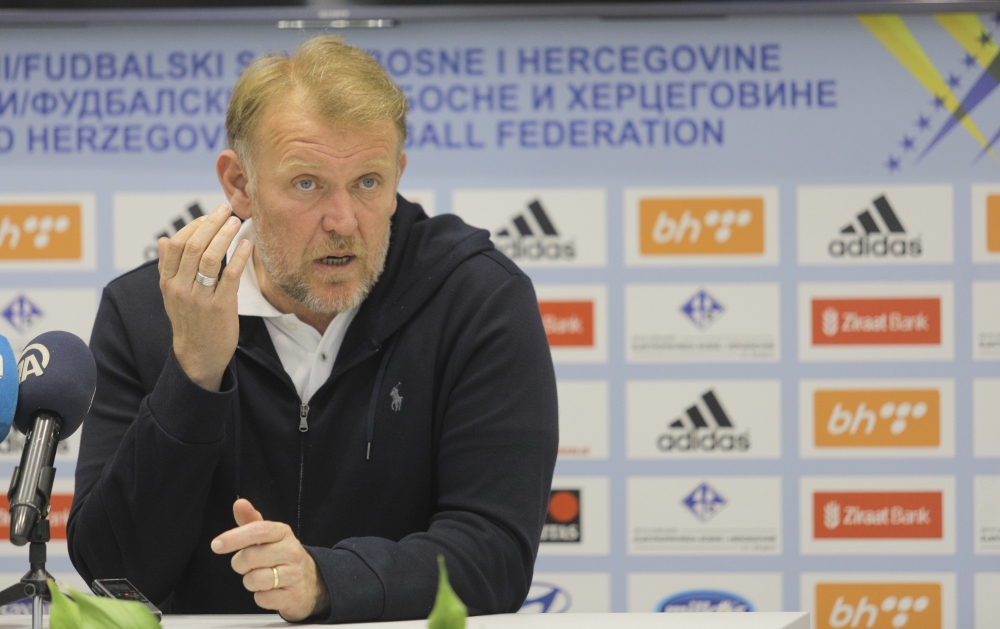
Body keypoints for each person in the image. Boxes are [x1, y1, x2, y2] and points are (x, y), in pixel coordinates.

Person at [67, 36, 558, 623]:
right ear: (239, 184)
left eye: (369, 183)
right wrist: (194, 372)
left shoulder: (476, 298)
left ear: (399, 172)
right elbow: (114, 573)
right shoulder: (146, 311)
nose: (343, 221)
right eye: (308, 184)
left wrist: (327, 581)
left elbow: (496, 553)